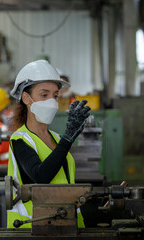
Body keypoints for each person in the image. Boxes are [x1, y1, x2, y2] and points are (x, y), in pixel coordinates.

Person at [7, 60, 90, 228]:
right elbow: (41, 176)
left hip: (67, 224)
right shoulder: (20, 140)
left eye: (55, 95)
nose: (51, 101)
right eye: (44, 95)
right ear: (26, 98)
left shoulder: (58, 139)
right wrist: (68, 138)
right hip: (32, 226)